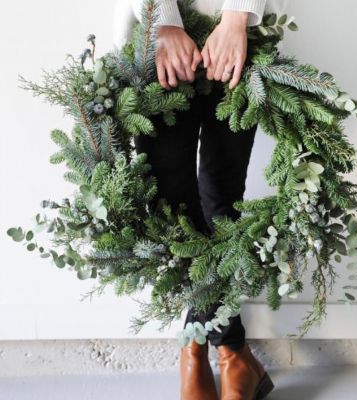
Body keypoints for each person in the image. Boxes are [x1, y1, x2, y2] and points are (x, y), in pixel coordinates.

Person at [113, 1, 281, 399]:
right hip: (159, 38)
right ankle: (232, 351)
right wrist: (163, 22)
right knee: (172, 209)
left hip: (238, 37)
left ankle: (208, 351)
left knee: (222, 200)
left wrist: (239, 15)